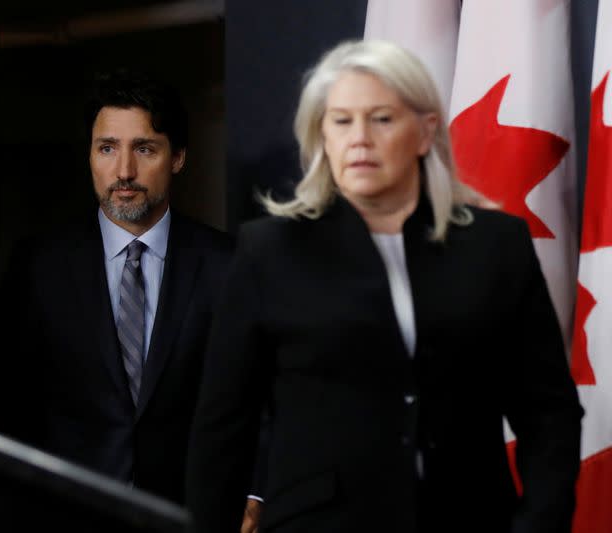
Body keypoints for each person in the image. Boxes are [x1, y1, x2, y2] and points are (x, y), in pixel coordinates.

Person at [186, 40, 583, 532]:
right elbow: (223, 431)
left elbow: (549, 413)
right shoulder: (269, 251)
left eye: (381, 119)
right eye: (341, 120)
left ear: (424, 132)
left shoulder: (496, 245)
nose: (359, 138)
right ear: (321, 137)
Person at [0, 69, 233, 505]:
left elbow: (259, 397)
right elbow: (12, 405)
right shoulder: (39, 267)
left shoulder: (229, 266)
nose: (124, 171)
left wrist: (254, 494)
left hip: (195, 514)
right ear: (89, 156)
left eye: (144, 149)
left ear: (177, 157)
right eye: (107, 149)